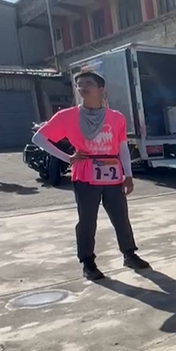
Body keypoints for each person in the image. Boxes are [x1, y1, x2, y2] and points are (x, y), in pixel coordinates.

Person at [31, 70, 149, 280]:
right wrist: (67, 158)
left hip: (113, 173)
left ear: (101, 89)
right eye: (79, 84)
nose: (83, 87)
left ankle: (129, 254)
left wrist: (128, 175)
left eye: (88, 83)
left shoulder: (116, 117)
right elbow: (39, 139)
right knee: (87, 220)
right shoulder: (67, 116)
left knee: (121, 217)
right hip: (85, 174)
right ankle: (88, 262)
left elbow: (122, 147)